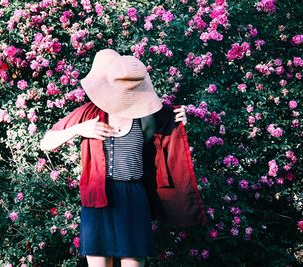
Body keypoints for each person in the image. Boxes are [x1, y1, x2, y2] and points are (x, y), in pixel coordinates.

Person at [40, 49, 206, 267]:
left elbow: (166, 136)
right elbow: (46, 142)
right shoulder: (88, 113)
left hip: (134, 197)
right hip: (98, 196)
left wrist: (181, 117)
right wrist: (80, 129)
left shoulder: (146, 116)